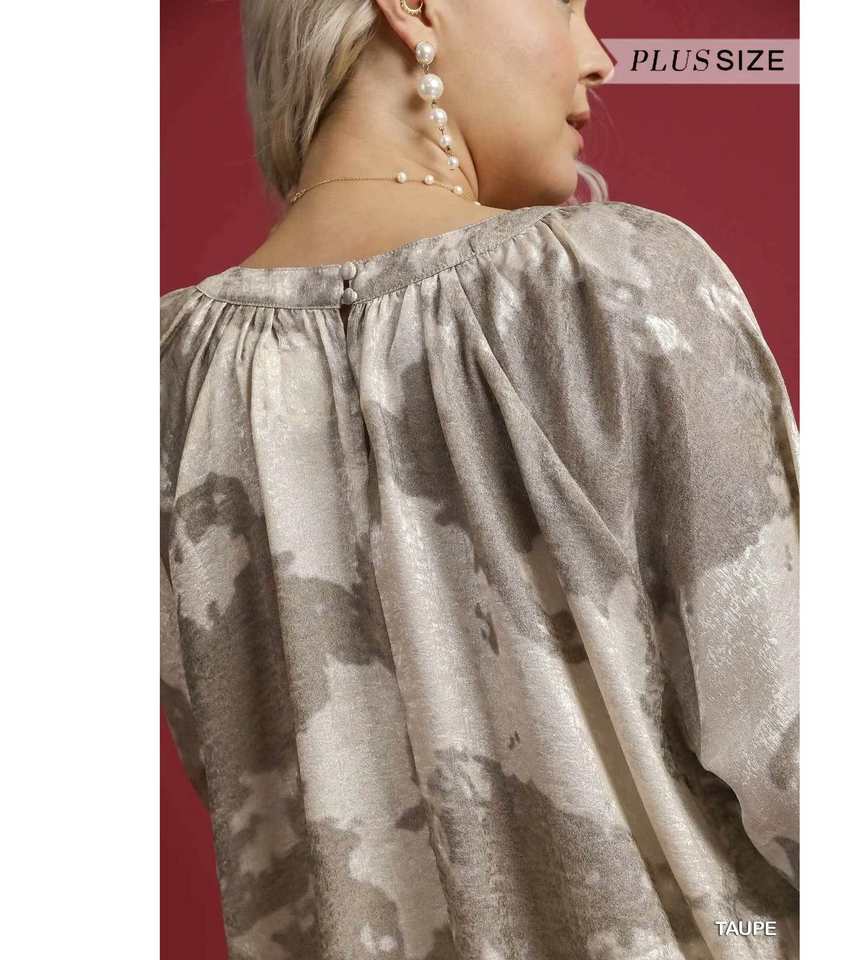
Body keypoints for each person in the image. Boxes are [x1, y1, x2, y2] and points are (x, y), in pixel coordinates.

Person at [160, 1, 800, 958]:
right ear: (413, 7)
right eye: (564, 4)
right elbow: (794, 747)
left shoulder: (170, 376)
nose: (600, 59)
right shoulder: (619, 285)